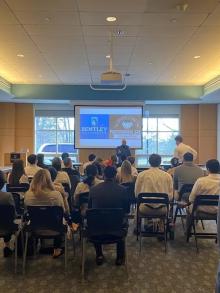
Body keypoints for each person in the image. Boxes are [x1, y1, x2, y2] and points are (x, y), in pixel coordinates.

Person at [88, 166, 130, 266]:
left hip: (96, 232)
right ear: (116, 176)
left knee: (96, 220)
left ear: (103, 175)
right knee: (121, 221)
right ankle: (120, 257)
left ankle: (99, 255)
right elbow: (127, 210)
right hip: (117, 231)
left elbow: (90, 209)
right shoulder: (123, 190)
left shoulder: (93, 190)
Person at [24, 169, 65, 258]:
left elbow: (26, 211)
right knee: (59, 218)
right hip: (56, 228)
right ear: (49, 180)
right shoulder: (56, 195)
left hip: (35, 228)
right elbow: (63, 211)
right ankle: (57, 249)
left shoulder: (28, 194)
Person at [135, 154, 173, 222]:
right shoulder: (168, 176)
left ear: (149, 162)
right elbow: (170, 196)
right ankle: (161, 225)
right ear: (160, 162)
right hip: (163, 209)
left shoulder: (141, 175)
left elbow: (137, 194)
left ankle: (139, 227)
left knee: (139, 205)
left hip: (145, 209)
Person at [0, 171, 16, 257]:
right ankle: (7, 246)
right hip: (7, 226)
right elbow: (13, 213)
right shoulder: (7, 196)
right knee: (7, 221)